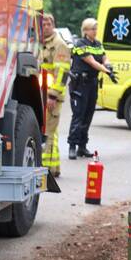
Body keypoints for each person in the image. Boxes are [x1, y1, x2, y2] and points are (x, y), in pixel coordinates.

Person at [68, 18, 116, 160]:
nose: (95, 31)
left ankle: (82, 146)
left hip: (92, 84)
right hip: (80, 84)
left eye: (96, 28)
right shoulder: (80, 44)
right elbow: (91, 61)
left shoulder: (98, 44)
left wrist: (109, 65)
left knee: (88, 115)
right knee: (78, 115)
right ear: (85, 31)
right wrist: (106, 71)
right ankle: (72, 146)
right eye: (92, 29)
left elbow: (104, 58)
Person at [39, 13, 71, 177]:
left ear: (54, 25)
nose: (46, 27)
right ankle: (54, 168)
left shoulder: (59, 45)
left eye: (49, 24)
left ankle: (47, 169)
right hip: (42, 94)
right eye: (43, 24)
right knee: (51, 132)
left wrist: (52, 96)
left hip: (51, 97)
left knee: (48, 133)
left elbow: (62, 73)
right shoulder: (41, 43)